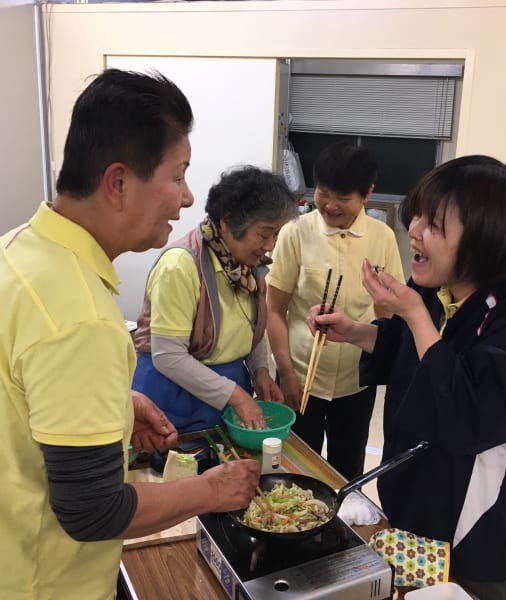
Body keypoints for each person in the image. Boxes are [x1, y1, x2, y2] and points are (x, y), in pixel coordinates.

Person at [0, 68, 261, 600]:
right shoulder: (81, 319)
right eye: (178, 175)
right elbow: (94, 511)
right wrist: (209, 490)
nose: (187, 199)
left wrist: (117, 405)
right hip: (45, 581)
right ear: (118, 183)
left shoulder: (20, 249)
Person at [308, 155, 506, 599]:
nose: (414, 230)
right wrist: (356, 333)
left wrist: (413, 314)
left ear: (486, 237)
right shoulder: (437, 288)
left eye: (435, 224)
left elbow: (471, 415)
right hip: (415, 507)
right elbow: (407, 353)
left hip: (476, 533)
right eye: (418, 216)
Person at [266, 142, 404, 480]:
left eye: (342, 198)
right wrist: (285, 373)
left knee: (347, 471)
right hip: (299, 375)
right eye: (323, 194)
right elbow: (273, 309)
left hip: (356, 381)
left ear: (367, 193)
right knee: (297, 470)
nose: (329, 205)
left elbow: (389, 313)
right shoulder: (295, 232)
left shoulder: (382, 237)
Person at [132, 165, 298, 433]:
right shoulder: (181, 265)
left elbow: (250, 325)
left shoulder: (248, 266)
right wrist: (236, 395)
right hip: (172, 393)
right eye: (264, 234)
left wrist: (260, 371)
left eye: (275, 235)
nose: (269, 246)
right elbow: (169, 356)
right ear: (228, 222)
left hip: (226, 391)